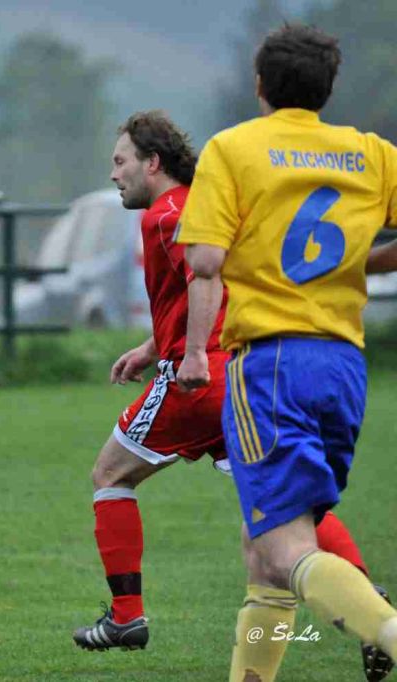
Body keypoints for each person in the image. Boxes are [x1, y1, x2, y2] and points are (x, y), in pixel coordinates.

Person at [71, 112, 384, 677]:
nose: (114, 174)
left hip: (198, 379)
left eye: (120, 162)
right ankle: (366, 596)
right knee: (282, 507)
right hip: (243, 376)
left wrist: (188, 354)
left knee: (110, 475)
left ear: (152, 163)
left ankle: (127, 616)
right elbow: (205, 283)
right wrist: (152, 345)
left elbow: (201, 278)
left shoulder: (165, 215)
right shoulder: (196, 205)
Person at [175, 24, 397, 682]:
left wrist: (193, 352)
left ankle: (386, 627)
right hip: (343, 366)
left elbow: (205, 261)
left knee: (284, 547)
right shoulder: (371, 155)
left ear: (260, 85)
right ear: (328, 87)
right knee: (264, 551)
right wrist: (361, 265)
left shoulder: (234, 148)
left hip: (271, 364)